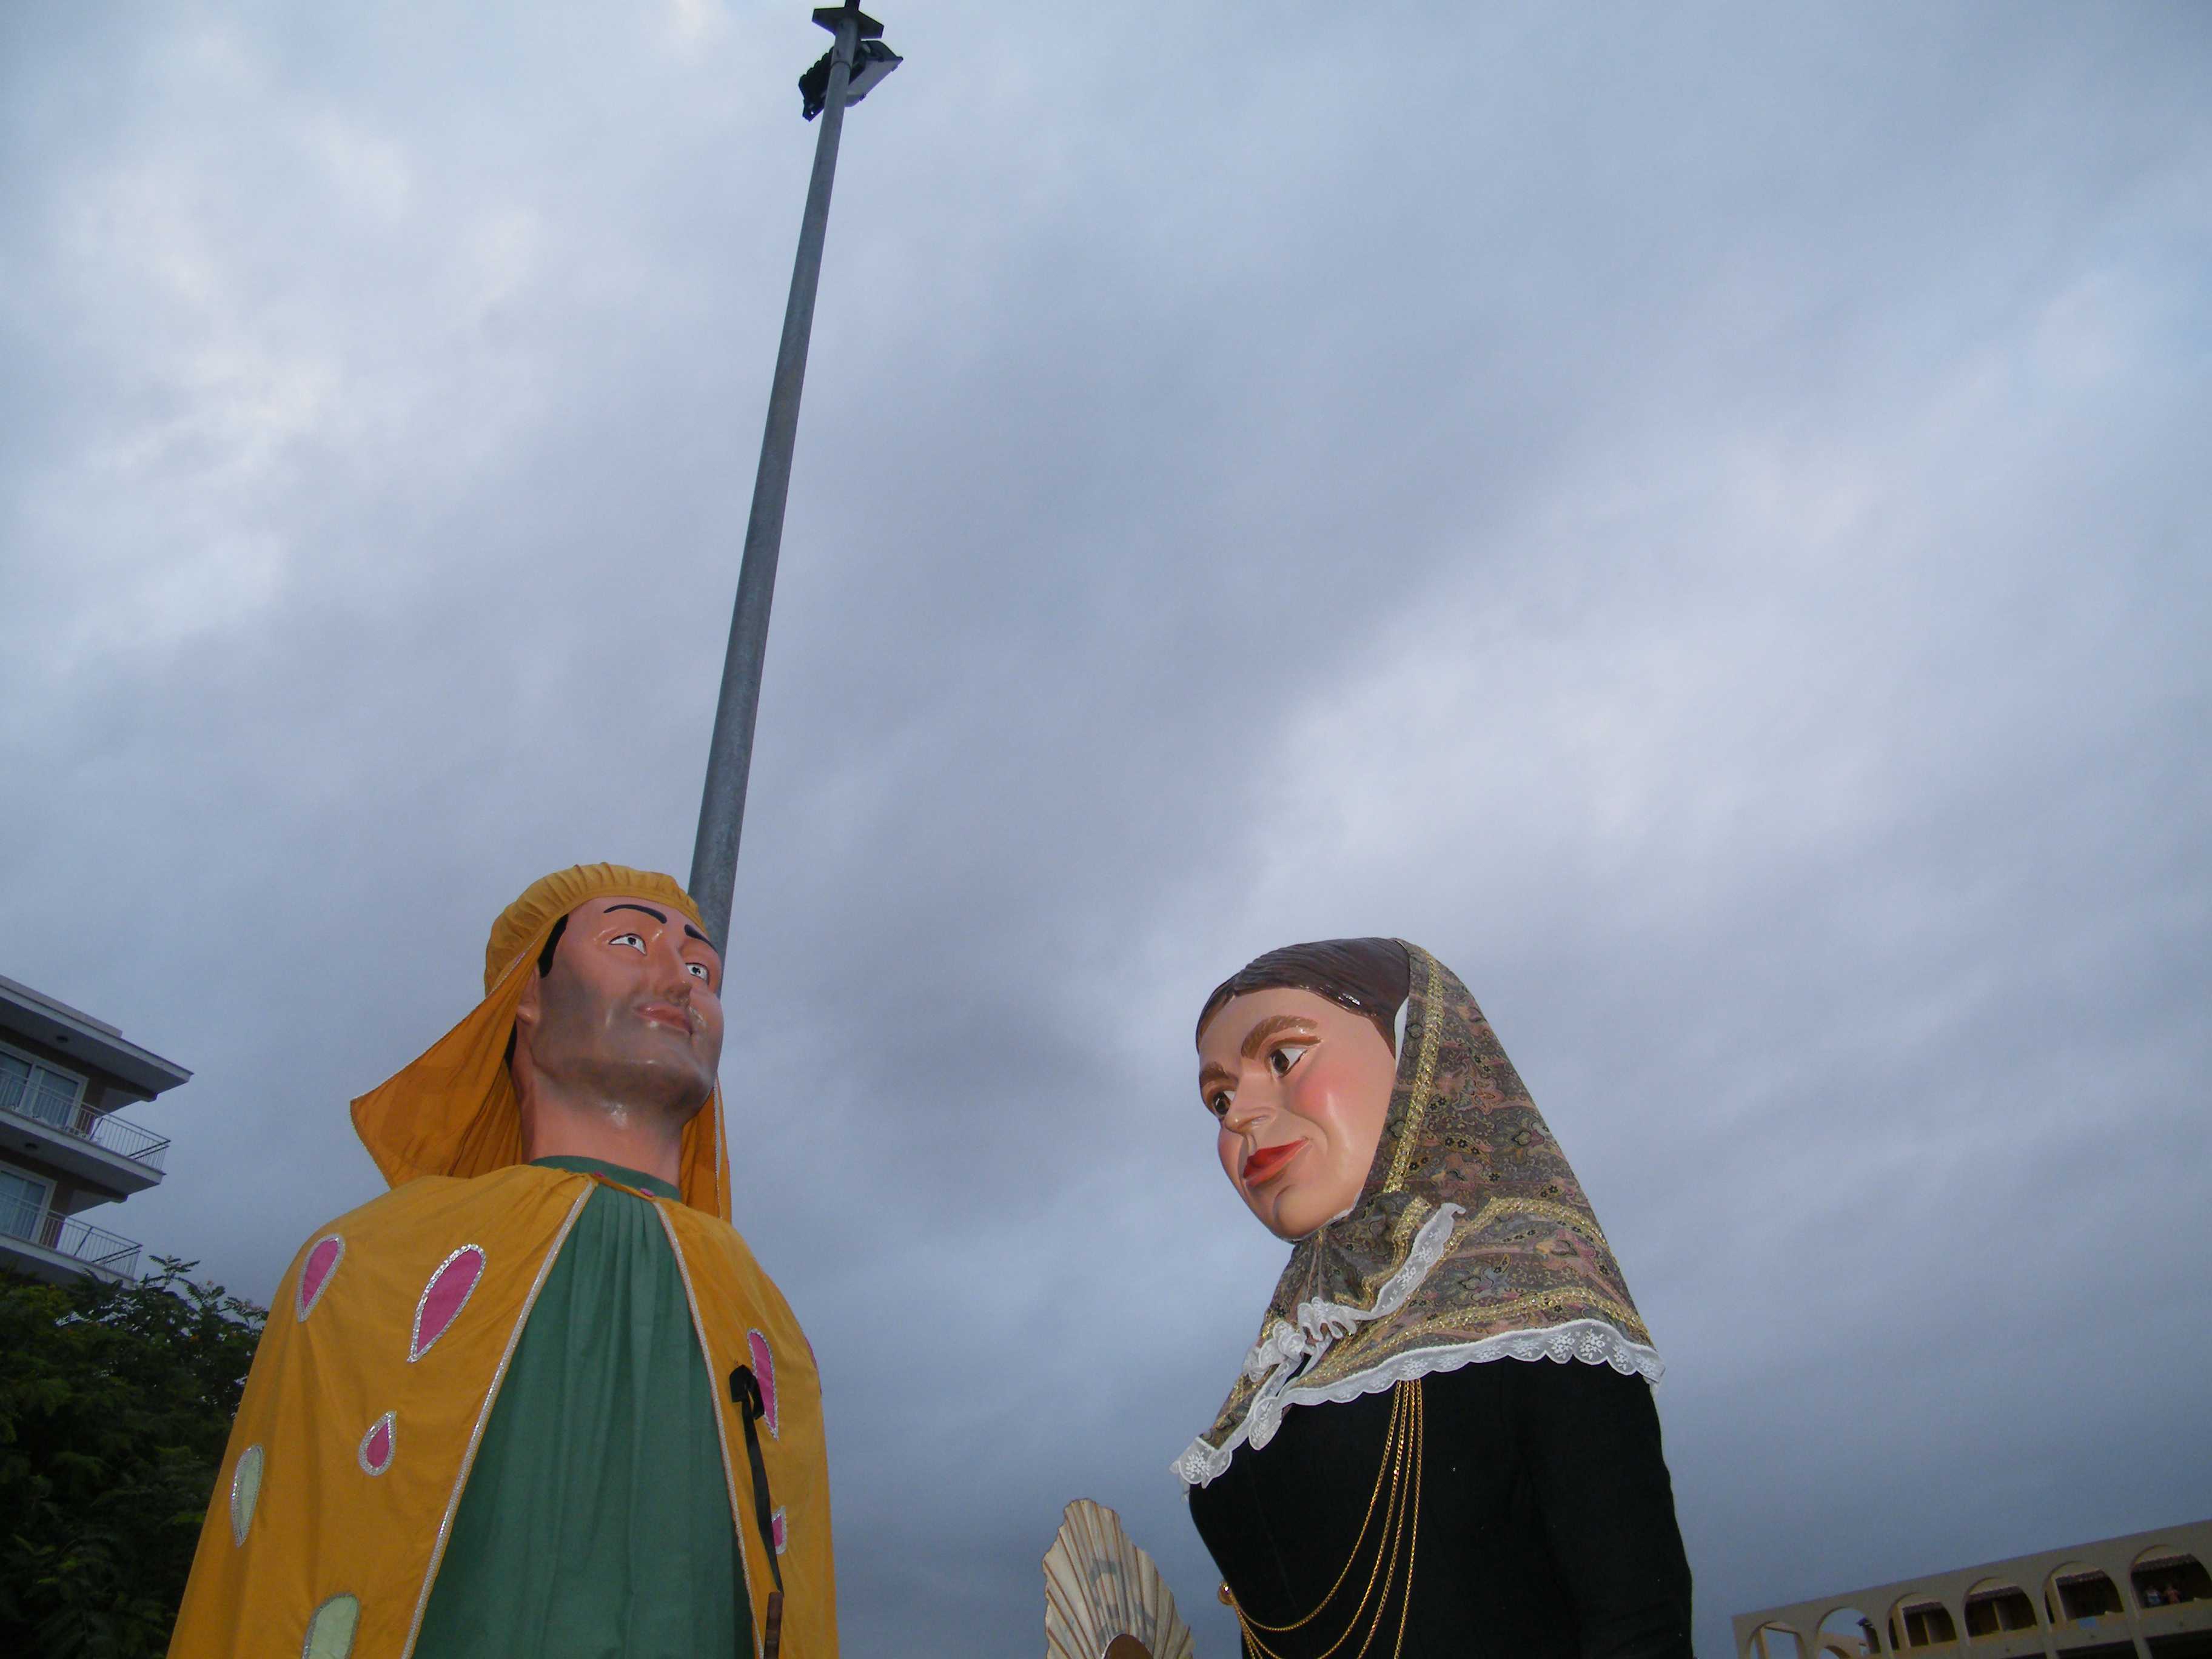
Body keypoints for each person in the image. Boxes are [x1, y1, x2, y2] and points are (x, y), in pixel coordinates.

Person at [169, 863, 836, 1659]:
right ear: (528, 995)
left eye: (702, 971)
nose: (677, 981)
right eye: (629, 942)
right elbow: (280, 1577)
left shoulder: (766, 1324)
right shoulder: (368, 1269)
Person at [1175, 938, 1692, 1658]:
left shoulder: (1531, 1288)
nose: (1239, 1117)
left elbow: (1636, 1622)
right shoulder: (1289, 1354)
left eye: (1284, 1059)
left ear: (1419, 1054)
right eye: (1221, 1099)